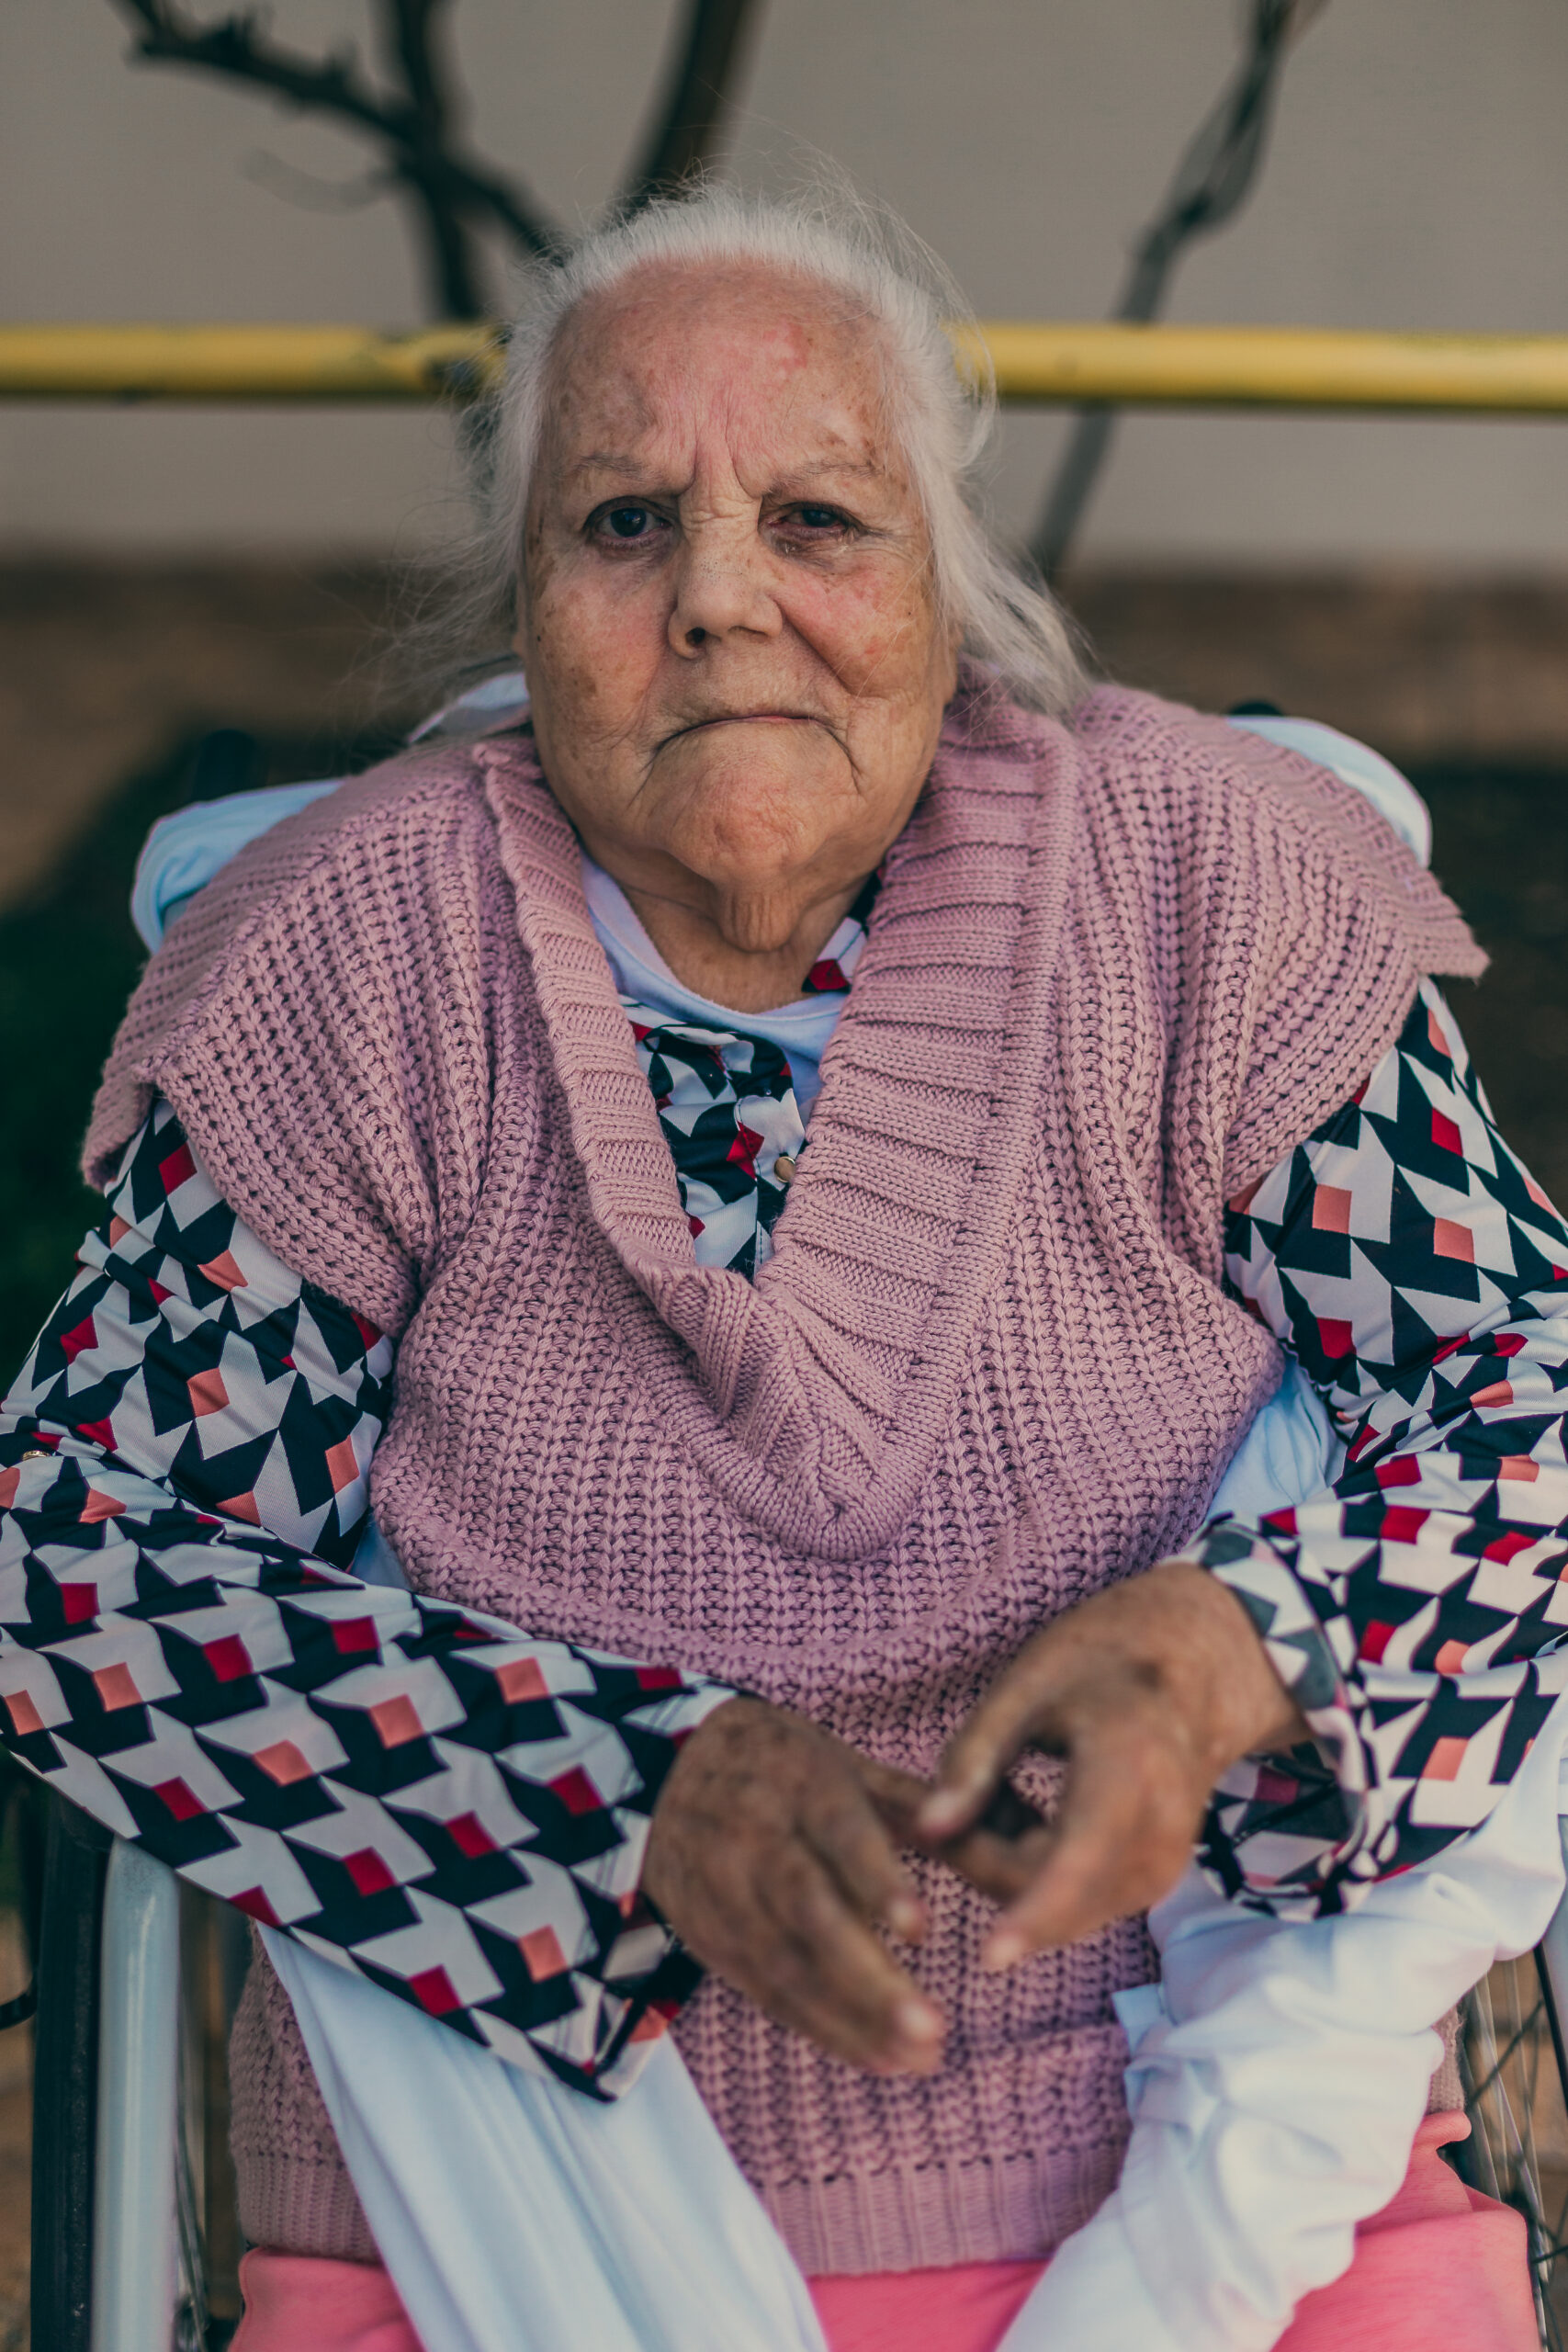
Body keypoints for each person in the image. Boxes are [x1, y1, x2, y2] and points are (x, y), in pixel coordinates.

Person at [4, 184, 1565, 2349]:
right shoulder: (355, 967)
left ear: (948, 583)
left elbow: (1529, 1399)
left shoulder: (1197, 886)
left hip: (1213, 2188)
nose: (721, 601)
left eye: (817, 519)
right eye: (624, 523)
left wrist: (1237, 1649)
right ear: (526, 600)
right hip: (512, 2209)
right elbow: (70, 1571)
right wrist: (612, 1787)